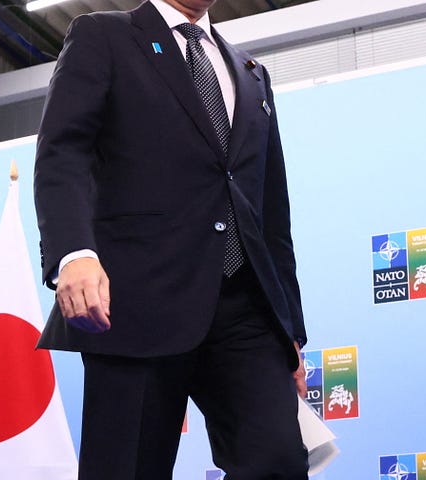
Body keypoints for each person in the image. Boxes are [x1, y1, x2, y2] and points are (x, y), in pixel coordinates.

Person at [32, 0, 308, 477]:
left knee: (279, 459)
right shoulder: (104, 36)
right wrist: (73, 253)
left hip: (244, 307)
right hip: (134, 301)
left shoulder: (251, 72)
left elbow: (271, 213)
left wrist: (291, 333)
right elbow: (63, 151)